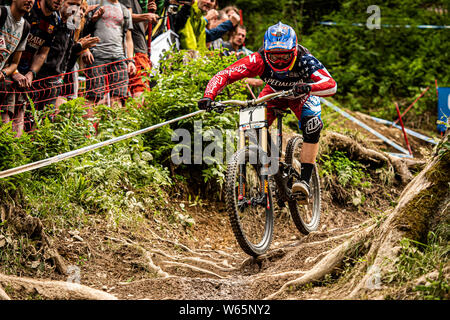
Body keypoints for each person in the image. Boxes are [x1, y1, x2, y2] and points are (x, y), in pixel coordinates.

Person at [198, 22, 337, 198]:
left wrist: (309, 87)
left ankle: (304, 181)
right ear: (266, 52)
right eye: (274, 57)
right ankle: (274, 163)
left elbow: (331, 85)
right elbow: (225, 74)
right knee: (251, 126)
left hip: (302, 95)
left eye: (284, 57)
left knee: (312, 125)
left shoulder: (305, 59)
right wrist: (209, 96)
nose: (279, 61)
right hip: (273, 94)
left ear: (294, 51)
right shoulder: (258, 59)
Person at [7, 0, 61, 136]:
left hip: (25, 71)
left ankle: (15, 149)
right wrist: (13, 70)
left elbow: (43, 52)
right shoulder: (27, 7)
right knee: (6, 110)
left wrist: (31, 73)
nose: (59, 1)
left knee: (20, 110)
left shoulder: (55, 20)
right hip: (6, 65)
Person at [35, 0, 99, 109]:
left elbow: (67, 63)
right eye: (71, 4)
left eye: (79, 6)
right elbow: (44, 54)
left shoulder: (71, 27)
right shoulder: (52, 21)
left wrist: (79, 48)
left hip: (56, 81)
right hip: (39, 80)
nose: (75, 9)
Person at [83, 0, 136, 111]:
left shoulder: (124, 10)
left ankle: (115, 127)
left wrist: (131, 60)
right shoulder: (94, 2)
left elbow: (128, 39)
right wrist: (85, 49)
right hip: (96, 56)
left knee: (118, 97)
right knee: (93, 96)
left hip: (119, 57)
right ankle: (87, 127)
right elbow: (81, 26)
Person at [0, 0, 32, 128]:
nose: (30, 1)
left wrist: (3, 73)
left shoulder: (25, 27)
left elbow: (14, 64)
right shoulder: (2, 13)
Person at [121, 0, 159, 98]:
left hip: (142, 50)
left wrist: (149, 15)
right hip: (133, 51)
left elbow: (142, 30)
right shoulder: (127, 1)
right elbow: (123, 16)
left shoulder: (139, 4)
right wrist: (145, 16)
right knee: (138, 89)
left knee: (143, 89)